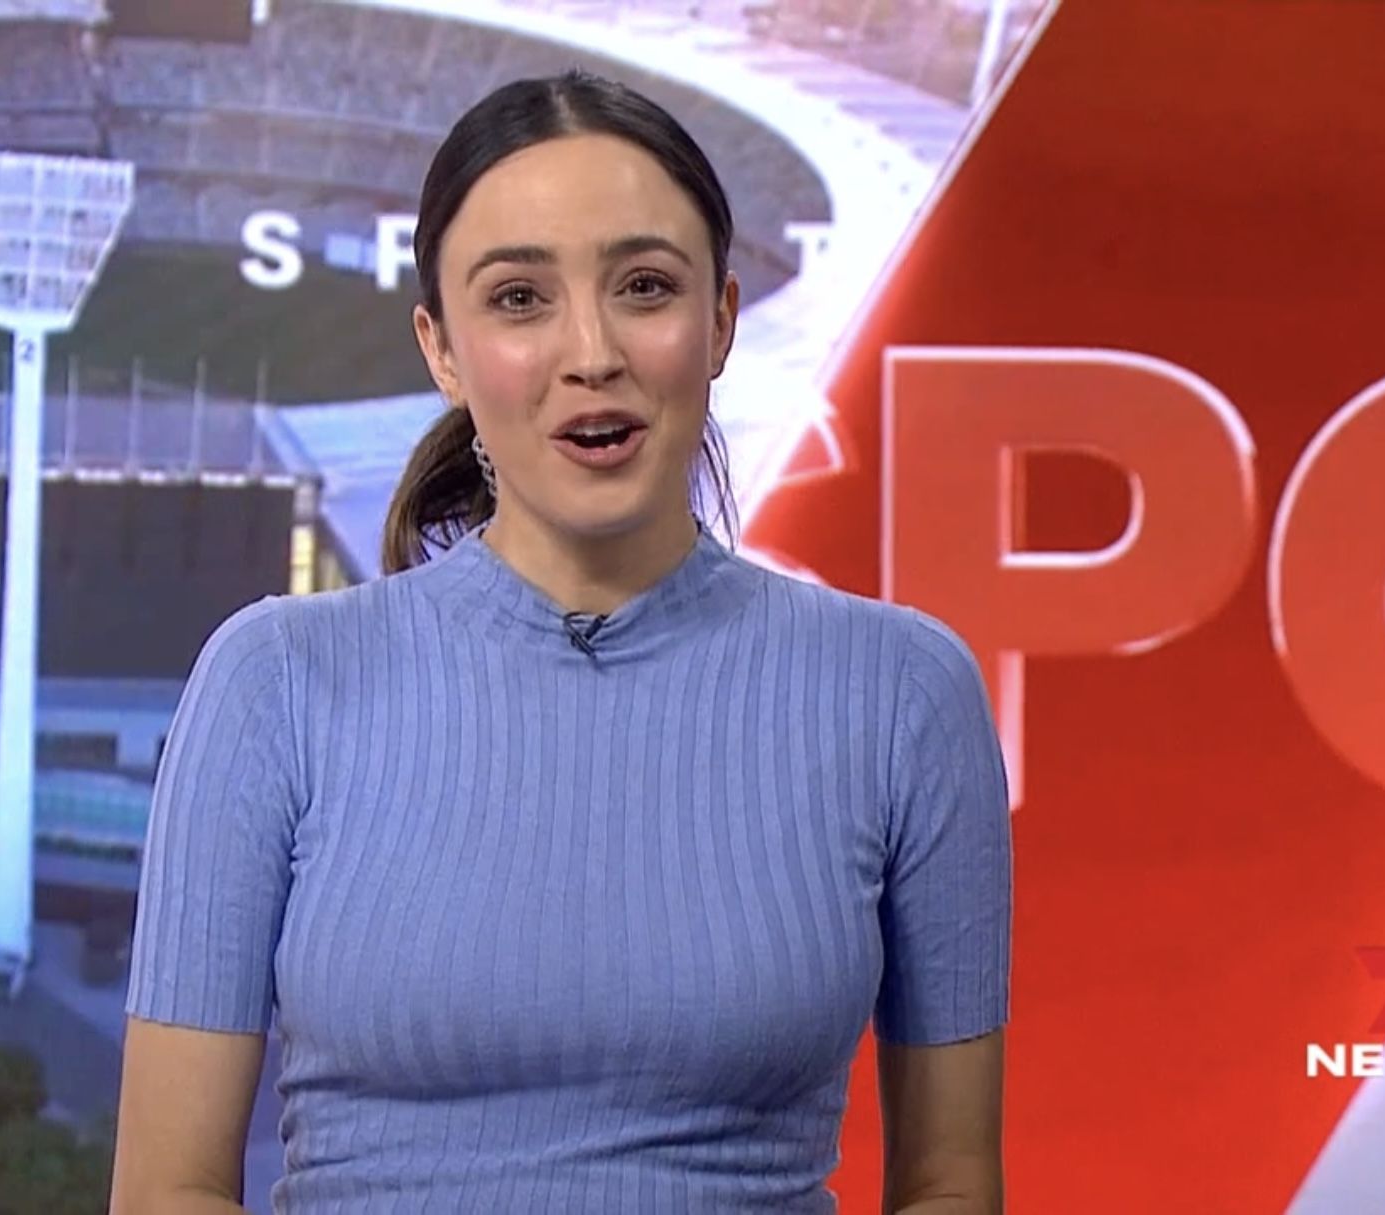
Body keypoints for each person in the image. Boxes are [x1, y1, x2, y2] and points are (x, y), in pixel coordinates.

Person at [112, 69, 1011, 1214]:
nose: (592, 352)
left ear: (721, 320)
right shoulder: (277, 682)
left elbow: (949, 1182)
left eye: (645, 287)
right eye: (520, 298)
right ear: (442, 349)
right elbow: (168, 1190)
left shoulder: (901, 693)